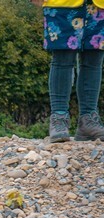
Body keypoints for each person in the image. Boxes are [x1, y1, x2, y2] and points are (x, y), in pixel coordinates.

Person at [38, 0, 104, 142]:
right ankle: (59, 118)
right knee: (63, 57)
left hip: (99, 6)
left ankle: (88, 120)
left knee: (94, 59)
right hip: (62, 4)